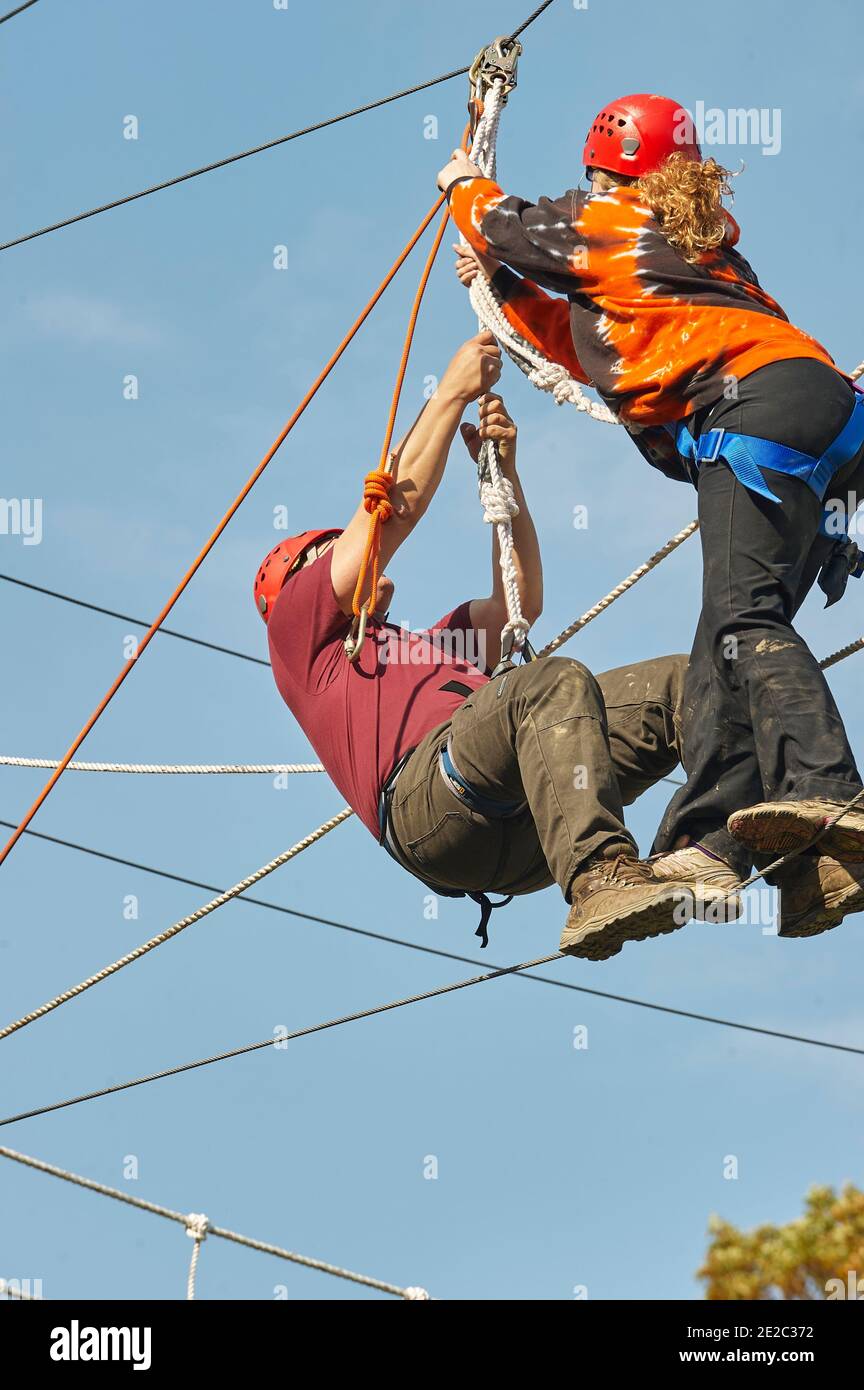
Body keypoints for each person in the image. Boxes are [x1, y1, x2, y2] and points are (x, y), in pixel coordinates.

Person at [437, 92, 864, 936]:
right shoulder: (692, 252)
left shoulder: (610, 216)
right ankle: (714, 845)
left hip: (758, 415)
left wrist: (463, 186)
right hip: (831, 419)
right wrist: (505, 292)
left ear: (605, 167)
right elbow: (593, 336)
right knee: (725, 645)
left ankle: (829, 794)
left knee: (743, 621)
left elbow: (511, 225)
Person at [254, 332, 709, 961]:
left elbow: (517, 602)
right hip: (429, 808)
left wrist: (506, 478)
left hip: (522, 822)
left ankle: (716, 845)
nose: (345, 554)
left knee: (689, 685)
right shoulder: (300, 634)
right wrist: (451, 391)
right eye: (328, 554)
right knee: (550, 683)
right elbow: (388, 521)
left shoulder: (427, 650)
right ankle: (602, 876)